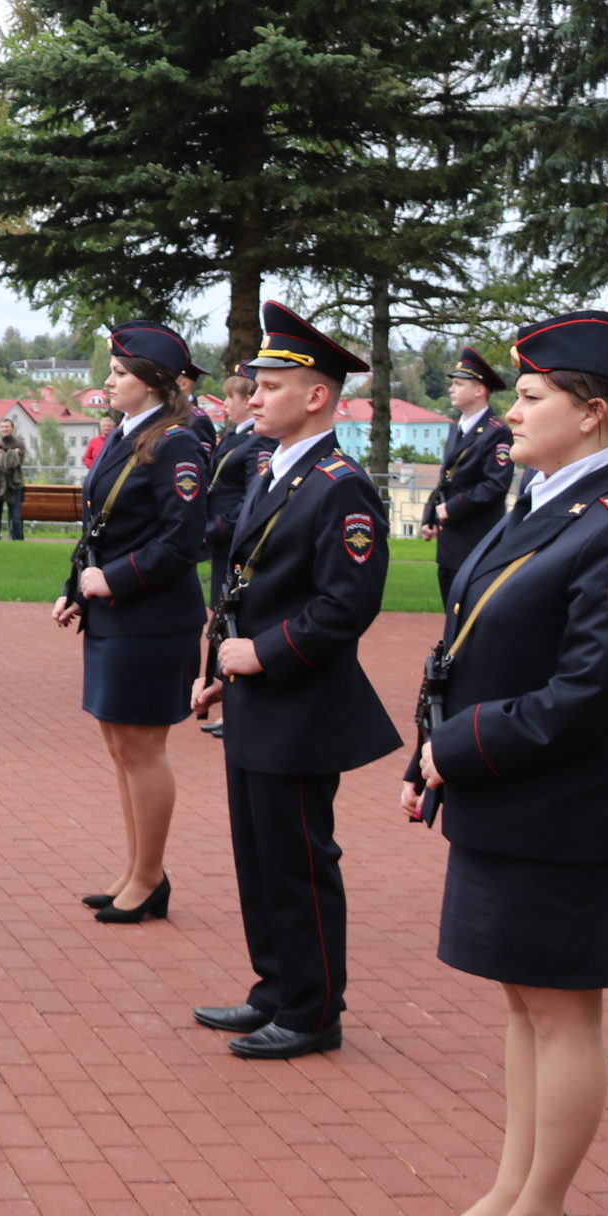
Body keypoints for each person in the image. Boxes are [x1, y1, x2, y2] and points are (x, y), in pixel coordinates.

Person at [404, 311, 608, 1216]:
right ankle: (510, 1191)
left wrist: (457, 747)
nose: (511, 412)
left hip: (571, 809)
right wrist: (431, 751)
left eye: (530, 397)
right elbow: (472, 641)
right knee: (525, 1005)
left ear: (593, 412)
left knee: (563, 1013)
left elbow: (589, 694)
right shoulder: (551, 504)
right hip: (517, 794)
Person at [186, 303, 401, 1060]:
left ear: (316, 395)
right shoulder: (275, 468)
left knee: (299, 861)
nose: (254, 396)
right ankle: (275, 987)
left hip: (301, 703)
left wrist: (264, 654)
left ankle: (313, 1009)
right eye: (255, 384)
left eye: (270, 385)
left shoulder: (339, 485)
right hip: (260, 697)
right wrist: (225, 671)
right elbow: (252, 582)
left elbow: (348, 604)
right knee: (258, 854)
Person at [57, 322, 206, 924]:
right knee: (121, 747)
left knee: (142, 750)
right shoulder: (129, 434)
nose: (109, 380)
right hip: (117, 614)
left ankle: (149, 878)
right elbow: (102, 528)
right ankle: (138, 868)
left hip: (153, 618)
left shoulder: (176, 444)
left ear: (152, 382)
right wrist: (75, 589)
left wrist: (112, 581)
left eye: (120, 373)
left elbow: (181, 540)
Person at [198, 366, 274, 737]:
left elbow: (250, 501)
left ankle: (235, 709)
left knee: (232, 623)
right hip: (222, 546)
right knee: (222, 622)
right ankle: (229, 704)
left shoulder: (259, 442)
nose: (226, 403)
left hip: (235, 544)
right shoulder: (236, 436)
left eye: (232, 396)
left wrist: (212, 530)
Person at [425, 346, 516, 606]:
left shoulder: (496, 432)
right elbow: (447, 478)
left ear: (479, 390)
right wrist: (429, 515)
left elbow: (495, 484)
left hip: (474, 541)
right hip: (449, 543)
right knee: (450, 612)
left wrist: (450, 509)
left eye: (458, 384)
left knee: (469, 613)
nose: (451, 389)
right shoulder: (458, 428)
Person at [0, 423, 27, 540]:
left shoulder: (19, 444)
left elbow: (18, 462)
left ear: (12, 428)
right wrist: (13, 453)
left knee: (15, 517)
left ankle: (16, 539)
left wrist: (1, 455)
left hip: (14, 484)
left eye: (7, 427)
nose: (4, 429)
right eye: (2, 427)